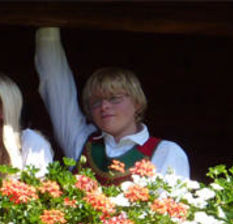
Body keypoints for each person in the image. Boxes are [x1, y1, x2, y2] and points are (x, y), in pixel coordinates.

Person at [34, 27, 189, 185]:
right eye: (96, 101)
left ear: (137, 102)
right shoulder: (81, 141)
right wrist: (47, 27)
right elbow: (55, 86)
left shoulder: (166, 151)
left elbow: (171, 206)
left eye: (114, 98)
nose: (104, 106)